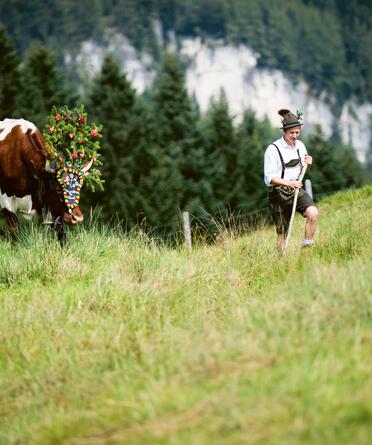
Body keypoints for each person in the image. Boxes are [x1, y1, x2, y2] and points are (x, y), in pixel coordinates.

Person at [264, 109, 318, 253]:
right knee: (283, 231)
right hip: (278, 193)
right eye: (291, 133)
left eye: (297, 133)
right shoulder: (273, 149)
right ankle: (281, 260)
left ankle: (307, 248)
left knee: (313, 213)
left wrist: (309, 165)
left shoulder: (300, 146)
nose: (295, 136)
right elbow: (269, 178)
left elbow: (302, 172)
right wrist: (289, 183)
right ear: (284, 131)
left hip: (296, 190)